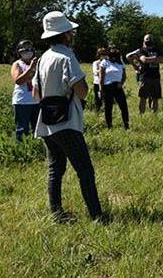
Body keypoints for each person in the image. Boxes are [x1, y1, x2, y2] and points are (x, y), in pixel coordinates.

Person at [32, 11, 103, 221]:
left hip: (46, 122)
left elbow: (36, 94)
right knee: (85, 171)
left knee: (56, 168)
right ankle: (97, 216)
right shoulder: (66, 56)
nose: (72, 34)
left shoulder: (43, 58)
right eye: (70, 31)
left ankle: (56, 213)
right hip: (67, 122)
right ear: (65, 34)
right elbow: (81, 90)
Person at [10, 40, 40, 142]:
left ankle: (36, 147)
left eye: (29, 49)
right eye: (24, 50)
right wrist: (31, 68)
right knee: (22, 128)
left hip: (37, 100)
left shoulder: (38, 63)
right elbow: (18, 80)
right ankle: (22, 150)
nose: (28, 52)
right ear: (19, 52)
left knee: (38, 127)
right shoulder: (17, 64)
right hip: (23, 101)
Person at [99, 47, 129, 129]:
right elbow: (101, 77)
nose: (112, 58)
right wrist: (101, 89)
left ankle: (126, 125)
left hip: (118, 87)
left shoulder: (120, 62)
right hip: (108, 86)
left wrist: (121, 83)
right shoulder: (104, 62)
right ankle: (109, 125)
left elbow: (124, 75)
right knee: (108, 107)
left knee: (123, 106)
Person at [135, 34, 163, 114]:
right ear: (144, 40)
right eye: (147, 39)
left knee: (155, 98)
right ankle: (141, 115)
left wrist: (149, 59)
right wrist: (155, 59)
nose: (149, 40)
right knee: (143, 98)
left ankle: (154, 115)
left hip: (156, 77)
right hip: (145, 77)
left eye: (150, 39)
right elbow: (143, 60)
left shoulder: (157, 50)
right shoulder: (141, 50)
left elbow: (161, 59)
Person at [91, 47, 108, 112]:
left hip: (106, 82)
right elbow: (95, 72)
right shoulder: (95, 63)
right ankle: (97, 112)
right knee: (98, 99)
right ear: (99, 55)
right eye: (102, 54)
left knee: (106, 99)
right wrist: (102, 70)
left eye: (105, 54)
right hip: (97, 83)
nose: (104, 56)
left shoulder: (108, 62)